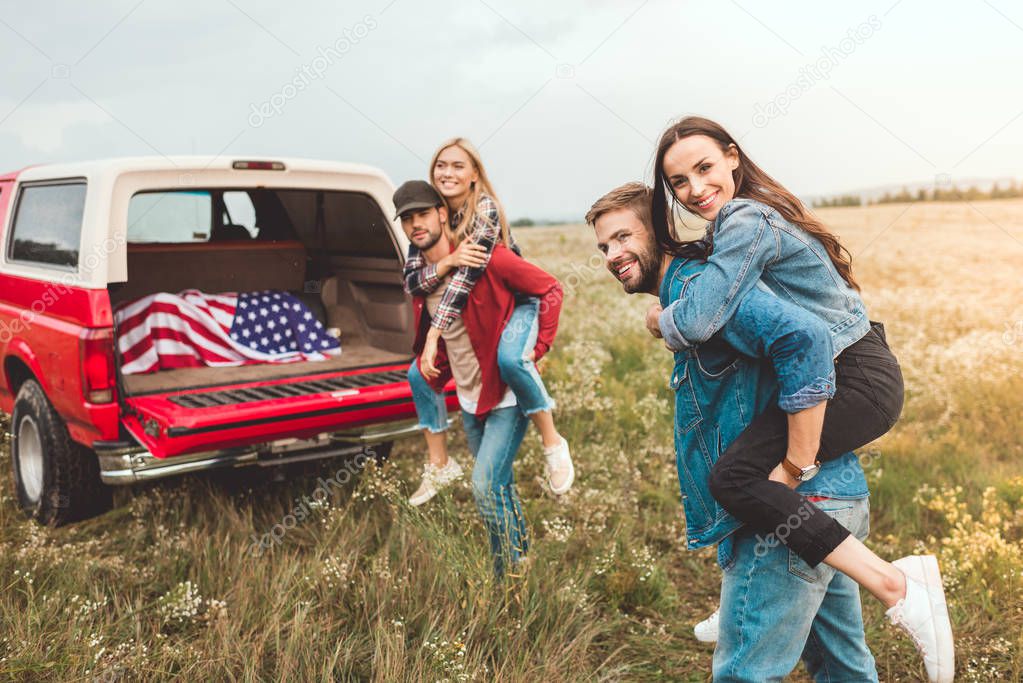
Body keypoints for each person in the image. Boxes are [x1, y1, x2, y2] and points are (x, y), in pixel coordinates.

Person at [645, 116, 953, 682]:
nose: (694, 189)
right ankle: (750, 589)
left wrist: (661, 318)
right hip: (852, 369)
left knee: (735, 478)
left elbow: (704, 314)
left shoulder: (745, 217)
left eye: (704, 168)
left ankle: (897, 583)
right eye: (679, 182)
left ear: (733, 157)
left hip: (854, 376)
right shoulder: (747, 219)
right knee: (746, 477)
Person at [588, 182, 881, 681]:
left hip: (785, 519)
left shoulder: (698, 289)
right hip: (831, 501)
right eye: (603, 247)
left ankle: (898, 583)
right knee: (843, 669)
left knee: (745, 673)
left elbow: (803, 337)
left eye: (622, 237)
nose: (613, 255)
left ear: (659, 229)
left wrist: (791, 469)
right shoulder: (694, 299)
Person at [393, 180, 563, 577]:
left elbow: (550, 289)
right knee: (499, 486)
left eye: (423, 214)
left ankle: (507, 575)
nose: (416, 224)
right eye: (407, 219)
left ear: (441, 213)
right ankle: (521, 560)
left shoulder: (486, 257)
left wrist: (531, 353)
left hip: (505, 394)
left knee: (485, 487)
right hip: (470, 397)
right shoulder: (424, 277)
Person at [403, 137, 573, 506]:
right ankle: (438, 462)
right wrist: (445, 263)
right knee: (417, 374)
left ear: (475, 175)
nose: (447, 172)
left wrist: (434, 331)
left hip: (518, 301)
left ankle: (553, 441)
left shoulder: (484, 209)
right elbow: (413, 279)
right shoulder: (427, 218)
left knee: (511, 359)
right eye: (440, 166)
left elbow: (468, 277)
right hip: (479, 309)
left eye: (457, 166)